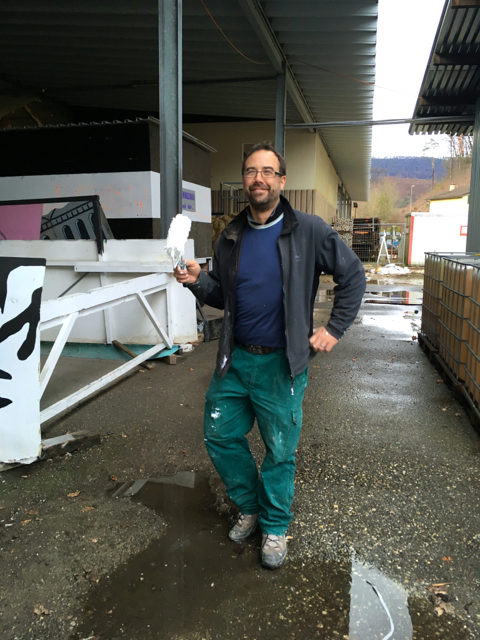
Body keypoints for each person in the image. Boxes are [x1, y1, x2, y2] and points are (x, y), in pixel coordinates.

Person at [173, 141, 365, 569]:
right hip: (236, 360)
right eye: (250, 171)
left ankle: (275, 526)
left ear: (282, 181)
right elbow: (224, 297)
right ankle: (251, 506)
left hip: (282, 364)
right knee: (219, 434)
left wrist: (334, 328)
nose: (257, 179)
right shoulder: (231, 236)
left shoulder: (309, 230)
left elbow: (353, 275)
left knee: (279, 451)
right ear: (244, 181)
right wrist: (198, 279)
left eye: (267, 171)